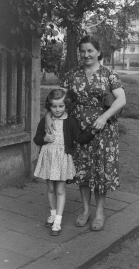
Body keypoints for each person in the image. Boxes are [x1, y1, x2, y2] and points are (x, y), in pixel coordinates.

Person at [46, 35, 126, 231]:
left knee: (99, 171)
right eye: (82, 51)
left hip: (103, 131)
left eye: (90, 50)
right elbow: (58, 99)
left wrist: (104, 117)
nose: (86, 54)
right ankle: (85, 210)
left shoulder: (109, 75)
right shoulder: (72, 75)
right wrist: (49, 116)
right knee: (83, 171)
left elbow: (121, 100)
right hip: (78, 129)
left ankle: (99, 211)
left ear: (98, 52)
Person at [33, 89, 96, 236]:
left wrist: (92, 132)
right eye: (54, 107)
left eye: (61, 106)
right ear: (49, 106)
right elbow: (36, 139)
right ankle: (53, 214)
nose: (57, 109)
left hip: (62, 159)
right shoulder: (45, 120)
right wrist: (44, 139)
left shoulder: (70, 121)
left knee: (60, 190)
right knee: (50, 189)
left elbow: (79, 138)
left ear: (66, 105)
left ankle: (58, 221)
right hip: (48, 158)